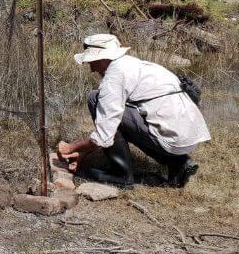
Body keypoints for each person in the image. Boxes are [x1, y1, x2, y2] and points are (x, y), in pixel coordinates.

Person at [56, 33, 210, 188]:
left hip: (173, 138)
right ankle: (179, 162)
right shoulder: (134, 64)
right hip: (189, 135)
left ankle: (121, 175)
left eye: (91, 62)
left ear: (102, 58)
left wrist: (71, 147)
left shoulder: (114, 78)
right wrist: (83, 153)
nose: (91, 68)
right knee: (126, 116)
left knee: (95, 99)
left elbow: (105, 135)